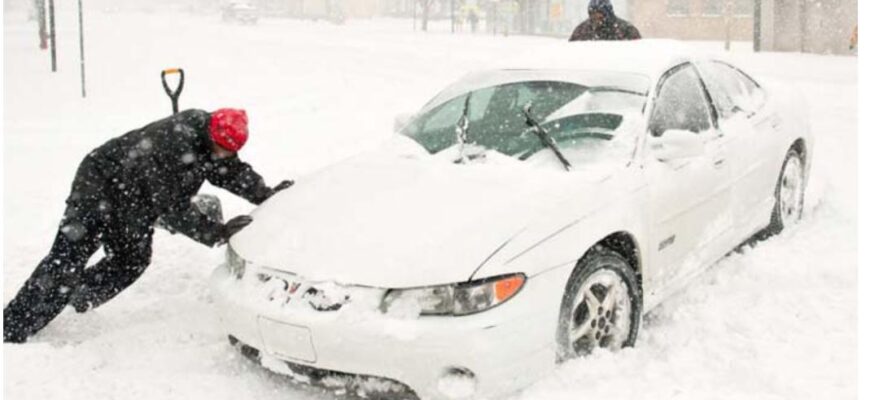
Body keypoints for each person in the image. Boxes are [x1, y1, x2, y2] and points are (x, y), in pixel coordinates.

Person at [3, 108, 293, 343]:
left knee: (132, 259)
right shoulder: (173, 144)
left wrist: (264, 194)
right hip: (101, 181)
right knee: (70, 256)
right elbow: (171, 207)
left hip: (134, 195)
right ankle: (13, 327)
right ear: (211, 133)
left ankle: (79, 295)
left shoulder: (213, 146)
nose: (223, 155)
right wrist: (215, 232)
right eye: (221, 149)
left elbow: (229, 171)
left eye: (229, 151)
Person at [569, 0, 641, 42]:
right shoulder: (581, 31)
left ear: (608, 13)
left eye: (599, 13)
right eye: (592, 13)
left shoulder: (627, 30)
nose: (595, 17)